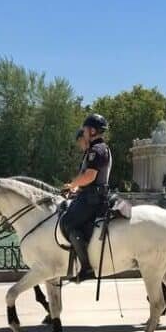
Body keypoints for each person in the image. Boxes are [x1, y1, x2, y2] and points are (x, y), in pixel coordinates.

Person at [61, 114, 111, 283]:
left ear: (92, 130)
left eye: (84, 130)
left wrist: (72, 184)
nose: (83, 133)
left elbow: (89, 176)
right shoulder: (96, 149)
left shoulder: (97, 150)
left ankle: (87, 267)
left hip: (92, 198)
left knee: (67, 222)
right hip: (90, 195)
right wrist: (75, 188)